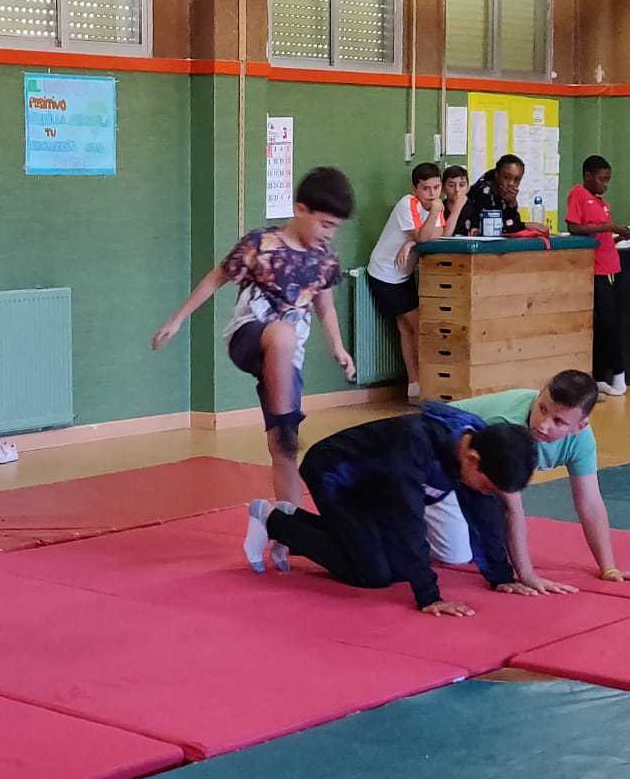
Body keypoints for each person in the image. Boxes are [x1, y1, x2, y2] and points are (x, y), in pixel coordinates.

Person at [152, 168, 356, 522]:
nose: (329, 234)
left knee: (284, 449)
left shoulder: (324, 257)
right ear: (300, 209)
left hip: (285, 361)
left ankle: (289, 525)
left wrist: (338, 347)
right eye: (324, 224)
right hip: (249, 337)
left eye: (335, 228)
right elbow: (217, 277)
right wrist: (177, 318)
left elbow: (325, 306)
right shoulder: (260, 244)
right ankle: (286, 419)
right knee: (283, 333)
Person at [241, 404, 537, 616]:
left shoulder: (473, 446)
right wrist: (429, 597)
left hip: (378, 488)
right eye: (488, 486)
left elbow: (484, 514)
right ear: (472, 459)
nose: (486, 493)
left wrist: (501, 576)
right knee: (372, 574)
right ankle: (274, 521)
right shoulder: (416, 448)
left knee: (399, 569)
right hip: (336, 476)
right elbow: (408, 521)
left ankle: (294, 520)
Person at [426, 371, 630, 591]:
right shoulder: (507, 425)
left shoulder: (581, 441)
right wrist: (526, 575)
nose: (543, 424)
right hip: (434, 462)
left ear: (580, 426)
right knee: (456, 554)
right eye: (542, 409)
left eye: (559, 421)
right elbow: (510, 508)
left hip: (472, 476)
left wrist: (609, 568)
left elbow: (590, 502)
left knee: (467, 544)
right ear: (540, 394)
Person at [366, 162, 460, 401]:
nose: (432, 194)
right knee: (418, 326)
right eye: (425, 188)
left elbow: (441, 236)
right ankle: (427, 384)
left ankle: (414, 386)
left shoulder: (435, 206)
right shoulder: (407, 204)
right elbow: (425, 237)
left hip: (403, 274)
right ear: (415, 189)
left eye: (436, 187)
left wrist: (412, 242)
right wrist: (418, 236)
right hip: (385, 274)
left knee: (406, 329)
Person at [564, 155, 630, 398]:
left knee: (609, 323)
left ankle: (604, 376)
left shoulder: (602, 203)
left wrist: (617, 236)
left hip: (611, 266)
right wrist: (610, 227)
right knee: (606, 323)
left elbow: (600, 238)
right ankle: (617, 375)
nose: (606, 184)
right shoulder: (578, 194)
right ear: (588, 176)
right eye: (602, 179)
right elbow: (574, 227)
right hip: (597, 269)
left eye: (608, 180)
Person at [454, 154, 549, 238]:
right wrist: (525, 225)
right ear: (497, 174)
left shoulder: (505, 194)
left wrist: (512, 203)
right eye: (506, 177)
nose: (511, 183)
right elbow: (492, 228)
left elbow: (511, 222)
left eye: (516, 180)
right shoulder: (482, 191)